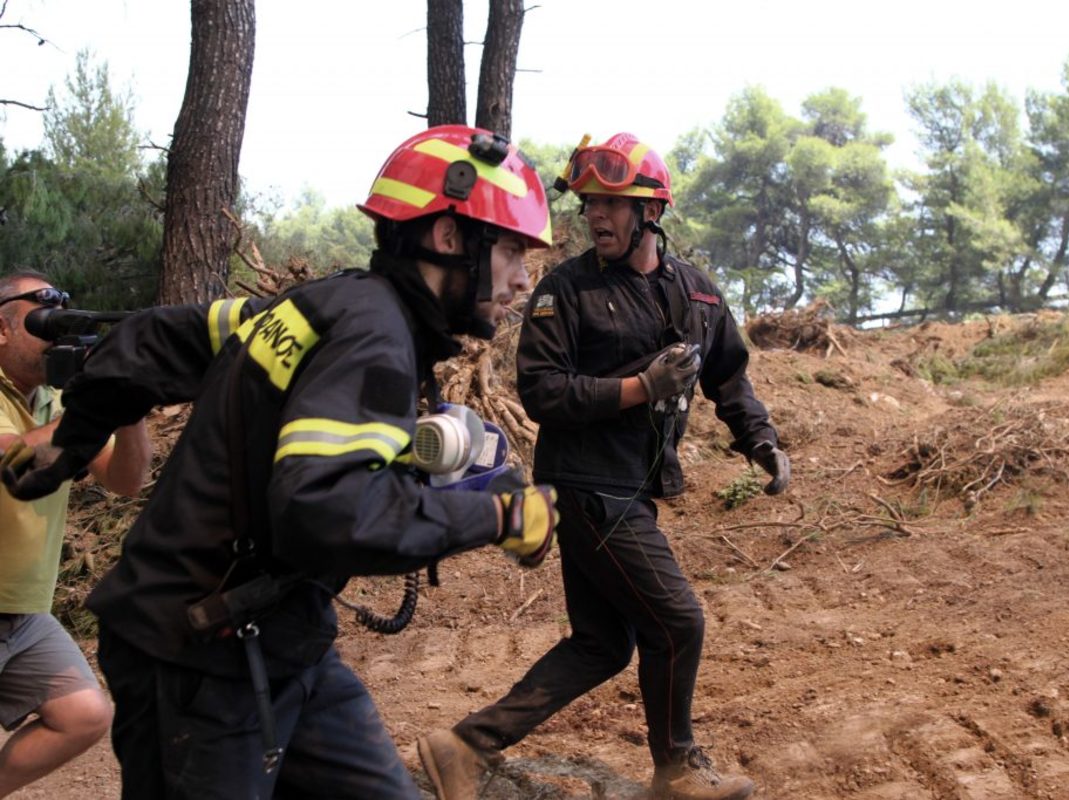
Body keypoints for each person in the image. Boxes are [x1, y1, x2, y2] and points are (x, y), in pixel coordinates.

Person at [0, 126, 560, 799]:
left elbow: (146, 341)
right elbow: (324, 511)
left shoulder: (317, 306)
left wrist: (69, 444)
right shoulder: (372, 335)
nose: (524, 277)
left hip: (280, 641)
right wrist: (494, 515)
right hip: (198, 657)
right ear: (449, 238)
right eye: (510, 250)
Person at [417, 133, 792, 800]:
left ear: (652, 212)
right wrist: (637, 389)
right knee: (678, 620)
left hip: (634, 488)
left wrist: (760, 441)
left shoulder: (698, 295)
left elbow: (729, 376)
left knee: (602, 643)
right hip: (588, 489)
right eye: (590, 203)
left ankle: (462, 747)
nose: (595, 215)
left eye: (613, 203)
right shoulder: (568, 290)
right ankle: (677, 768)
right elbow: (543, 392)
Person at [0, 272, 151, 798]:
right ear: (1, 328)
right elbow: (13, 459)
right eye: (42, 309)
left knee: (82, 714)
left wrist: (126, 406)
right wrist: (89, 412)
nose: (57, 321)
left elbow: (128, 481)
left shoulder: (58, 406)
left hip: (22, 609)